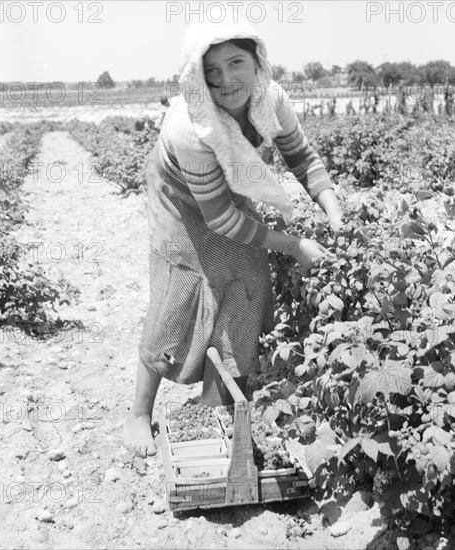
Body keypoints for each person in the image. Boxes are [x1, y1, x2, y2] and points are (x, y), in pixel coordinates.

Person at [124, 18, 343, 457]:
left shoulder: (270, 98)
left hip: (229, 191)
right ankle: (138, 414)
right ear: (197, 78)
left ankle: (215, 408)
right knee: (179, 295)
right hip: (181, 201)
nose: (226, 81)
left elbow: (301, 157)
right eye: (212, 72)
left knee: (247, 287)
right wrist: (293, 244)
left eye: (236, 62)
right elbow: (219, 218)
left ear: (257, 59)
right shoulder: (189, 127)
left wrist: (338, 217)